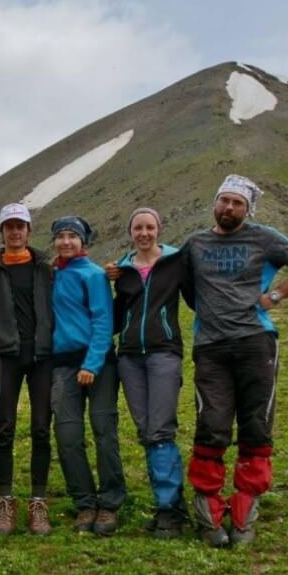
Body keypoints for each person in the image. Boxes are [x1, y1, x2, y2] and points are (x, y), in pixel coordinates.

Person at [182, 175, 288, 548]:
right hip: (211, 345)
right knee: (211, 422)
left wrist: (274, 296)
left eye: (237, 204)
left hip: (255, 342)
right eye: (224, 201)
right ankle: (208, 503)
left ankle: (246, 505)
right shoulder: (195, 244)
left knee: (256, 424)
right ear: (214, 203)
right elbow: (171, 277)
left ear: (248, 209)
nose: (229, 208)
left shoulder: (264, 237)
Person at [110, 207, 195, 538]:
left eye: (149, 227)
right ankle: (171, 505)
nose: (144, 233)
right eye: (138, 228)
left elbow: (197, 299)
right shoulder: (123, 269)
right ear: (130, 232)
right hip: (129, 356)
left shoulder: (175, 262)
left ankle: (169, 509)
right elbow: (117, 315)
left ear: (159, 229)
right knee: (147, 429)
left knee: (160, 430)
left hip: (164, 353)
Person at [0, 202, 55, 536]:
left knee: (40, 428)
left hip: (42, 357)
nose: (15, 232)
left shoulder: (45, 269)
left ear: (29, 231)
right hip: (5, 357)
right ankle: (5, 500)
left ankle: (38, 501)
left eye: (21, 226)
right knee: (5, 428)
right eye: (9, 227)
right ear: (2, 232)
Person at [49, 215, 124, 535]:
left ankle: (109, 503)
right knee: (67, 435)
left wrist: (91, 365)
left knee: (103, 429)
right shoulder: (51, 274)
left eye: (72, 236)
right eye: (61, 236)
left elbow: (103, 321)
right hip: (63, 364)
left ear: (83, 242)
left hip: (98, 365)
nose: (66, 241)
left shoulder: (94, 275)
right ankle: (84, 503)